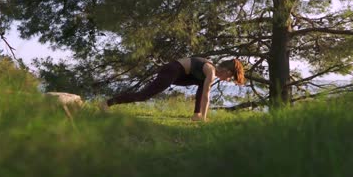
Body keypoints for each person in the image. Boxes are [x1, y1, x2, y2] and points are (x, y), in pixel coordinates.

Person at [101, 57, 245, 121]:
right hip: (172, 70)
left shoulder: (210, 73)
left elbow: (203, 93)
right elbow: (206, 96)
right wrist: (206, 118)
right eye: (230, 77)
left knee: (202, 84)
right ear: (227, 71)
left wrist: (202, 114)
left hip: (179, 74)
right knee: (144, 96)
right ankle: (107, 103)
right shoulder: (210, 70)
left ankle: (197, 115)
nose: (228, 80)